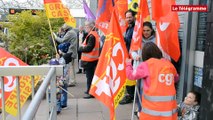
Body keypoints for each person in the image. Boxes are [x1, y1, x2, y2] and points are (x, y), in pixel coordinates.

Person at [126, 42, 179, 120]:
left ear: (144, 55)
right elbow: (176, 78)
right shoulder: (169, 64)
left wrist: (128, 64)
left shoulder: (146, 65)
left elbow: (131, 75)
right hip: (169, 111)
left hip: (151, 111)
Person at [131, 21, 156, 117]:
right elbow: (132, 51)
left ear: (152, 30)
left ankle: (146, 108)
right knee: (139, 89)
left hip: (152, 69)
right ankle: (140, 108)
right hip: (140, 68)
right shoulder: (138, 39)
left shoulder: (156, 39)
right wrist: (135, 56)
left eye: (148, 30)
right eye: (144, 30)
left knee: (147, 89)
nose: (145, 32)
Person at [78, 20, 100, 99]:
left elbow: (88, 48)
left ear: (91, 27)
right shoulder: (94, 35)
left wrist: (80, 48)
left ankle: (91, 92)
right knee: (90, 77)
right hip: (92, 60)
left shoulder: (91, 36)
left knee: (90, 77)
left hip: (90, 61)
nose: (85, 27)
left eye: (86, 26)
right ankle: (89, 90)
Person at [119, 9, 136, 105]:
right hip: (128, 55)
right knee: (128, 75)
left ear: (134, 17)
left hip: (134, 56)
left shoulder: (136, 28)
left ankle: (131, 95)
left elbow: (134, 41)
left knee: (131, 76)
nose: (128, 19)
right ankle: (130, 94)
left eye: (130, 17)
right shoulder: (128, 28)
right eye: (127, 17)